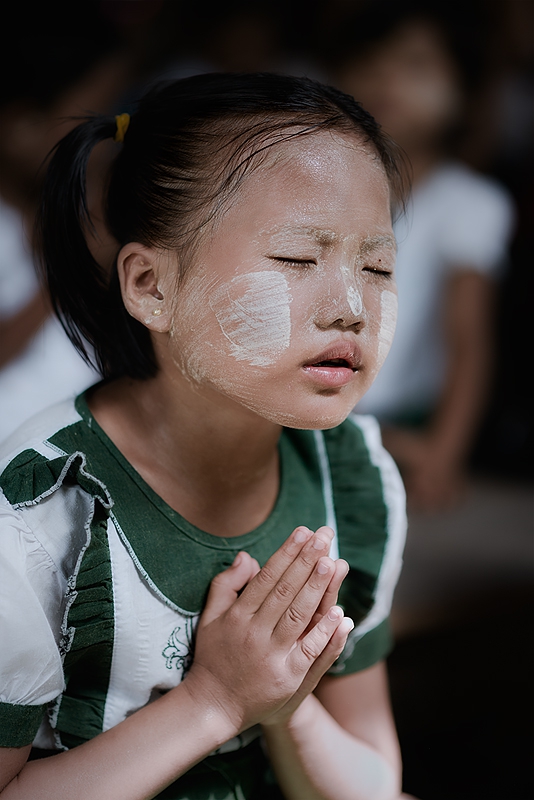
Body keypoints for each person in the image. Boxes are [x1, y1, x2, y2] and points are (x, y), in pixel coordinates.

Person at [0, 73, 408, 800]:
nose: (350, 307)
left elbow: (373, 784)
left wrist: (283, 703)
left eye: (377, 266)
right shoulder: (36, 518)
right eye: (296, 259)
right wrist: (215, 700)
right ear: (151, 285)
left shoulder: (355, 477)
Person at [329, 4, 515, 510]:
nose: (387, 77)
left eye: (417, 65)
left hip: (399, 420)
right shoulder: (317, 186)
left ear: (463, 94)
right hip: (307, 403)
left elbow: (468, 342)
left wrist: (443, 455)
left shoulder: (470, 203)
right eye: (370, 61)